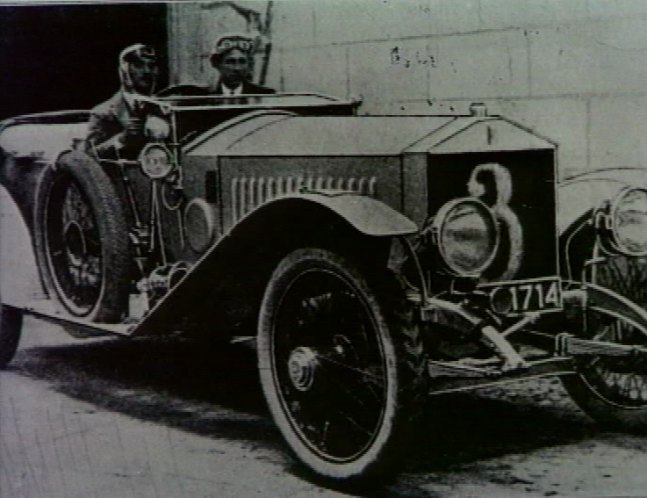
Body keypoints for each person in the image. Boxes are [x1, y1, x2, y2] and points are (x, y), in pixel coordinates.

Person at [86, 44, 160, 157]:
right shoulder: (103, 113)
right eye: (139, 65)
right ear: (125, 69)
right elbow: (88, 157)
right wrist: (122, 139)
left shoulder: (163, 109)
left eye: (151, 66)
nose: (147, 71)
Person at [209, 33, 275, 95]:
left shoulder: (263, 94)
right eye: (231, 62)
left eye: (242, 61)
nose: (237, 68)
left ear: (249, 65)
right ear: (217, 64)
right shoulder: (205, 95)